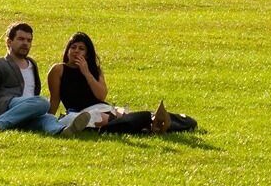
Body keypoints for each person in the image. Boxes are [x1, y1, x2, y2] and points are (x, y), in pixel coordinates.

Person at [46, 33, 194, 134]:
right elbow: (54, 99)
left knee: (106, 117)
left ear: (88, 54)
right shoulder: (58, 69)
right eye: (73, 47)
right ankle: (148, 125)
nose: (76, 51)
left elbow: (101, 94)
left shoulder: (94, 71)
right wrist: (48, 121)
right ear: (67, 51)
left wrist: (86, 73)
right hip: (77, 112)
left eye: (81, 49)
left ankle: (171, 121)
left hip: (100, 108)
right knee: (74, 119)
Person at [0, 23, 89, 134]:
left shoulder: (32, 64)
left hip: (29, 111)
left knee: (48, 118)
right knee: (42, 102)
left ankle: (62, 131)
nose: (25, 43)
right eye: (21, 39)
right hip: (6, 108)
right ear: (9, 42)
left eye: (29, 40)